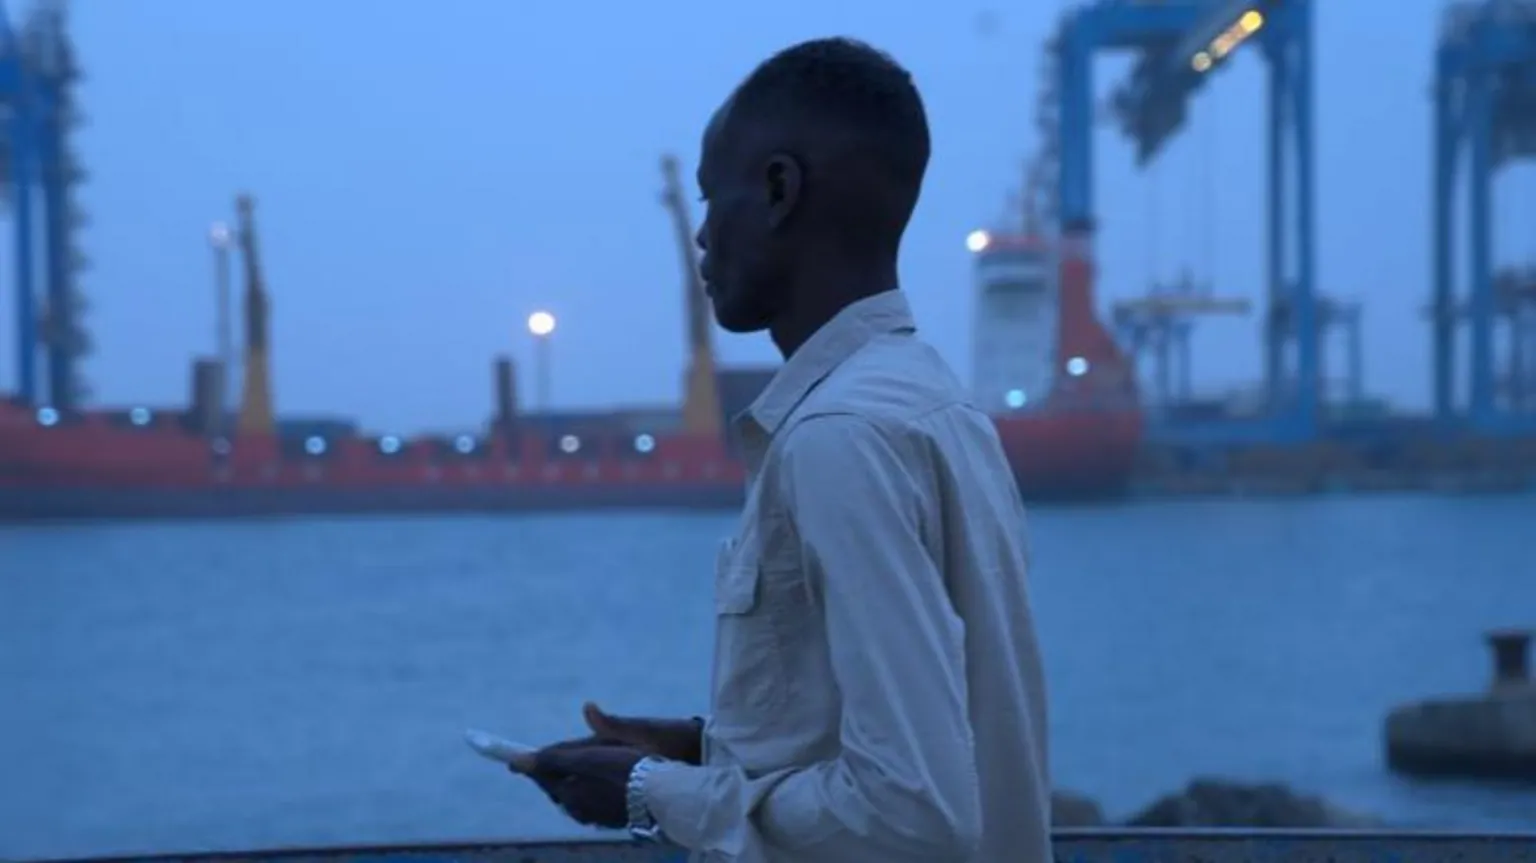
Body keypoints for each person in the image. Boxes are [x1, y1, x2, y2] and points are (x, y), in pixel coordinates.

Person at [519, 37, 1051, 862]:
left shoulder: (838, 438)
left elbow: (914, 813)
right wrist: (718, 746)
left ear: (777, 189)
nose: (700, 236)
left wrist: (646, 791)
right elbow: (942, 732)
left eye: (709, 199)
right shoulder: (939, 407)